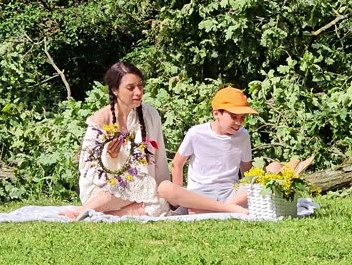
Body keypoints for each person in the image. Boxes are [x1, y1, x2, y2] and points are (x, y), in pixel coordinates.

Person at [60, 62, 170, 220]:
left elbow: (159, 158)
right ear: (115, 90)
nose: (138, 92)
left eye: (140, 86)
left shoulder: (150, 115)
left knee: (160, 202)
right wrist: (110, 157)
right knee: (137, 185)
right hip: (103, 191)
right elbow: (87, 167)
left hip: (142, 187)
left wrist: (162, 188)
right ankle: (84, 211)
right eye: (130, 88)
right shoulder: (100, 119)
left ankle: (100, 215)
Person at [157, 86, 277, 214]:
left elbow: (247, 172)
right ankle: (223, 208)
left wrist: (248, 191)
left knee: (275, 167)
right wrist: (180, 196)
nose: (238, 123)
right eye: (234, 117)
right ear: (216, 114)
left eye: (242, 118)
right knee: (165, 188)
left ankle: (219, 208)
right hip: (199, 195)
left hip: (231, 193)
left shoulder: (243, 135)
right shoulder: (196, 133)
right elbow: (177, 164)